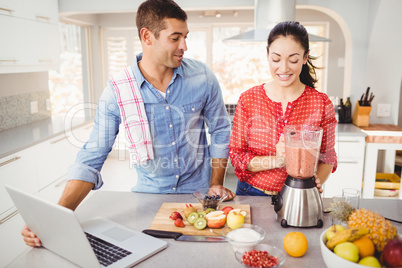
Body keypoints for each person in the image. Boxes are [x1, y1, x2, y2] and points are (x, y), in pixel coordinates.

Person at [22, 0, 234, 248]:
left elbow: (220, 130)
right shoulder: (119, 90)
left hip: (198, 194)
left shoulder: (202, 77)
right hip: (148, 198)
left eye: (185, 37)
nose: (184, 46)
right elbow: (92, 156)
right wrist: (54, 217)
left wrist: (216, 182)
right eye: (175, 38)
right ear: (147, 36)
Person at [229, 21, 337, 196]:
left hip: (299, 193)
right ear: (267, 55)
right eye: (276, 59)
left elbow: (328, 157)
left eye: (293, 59)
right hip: (251, 193)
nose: (284, 68)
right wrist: (278, 160)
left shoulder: (321, 103)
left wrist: (315, 181)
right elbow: (237, 156)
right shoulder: (248, 99)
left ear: (305, 57)